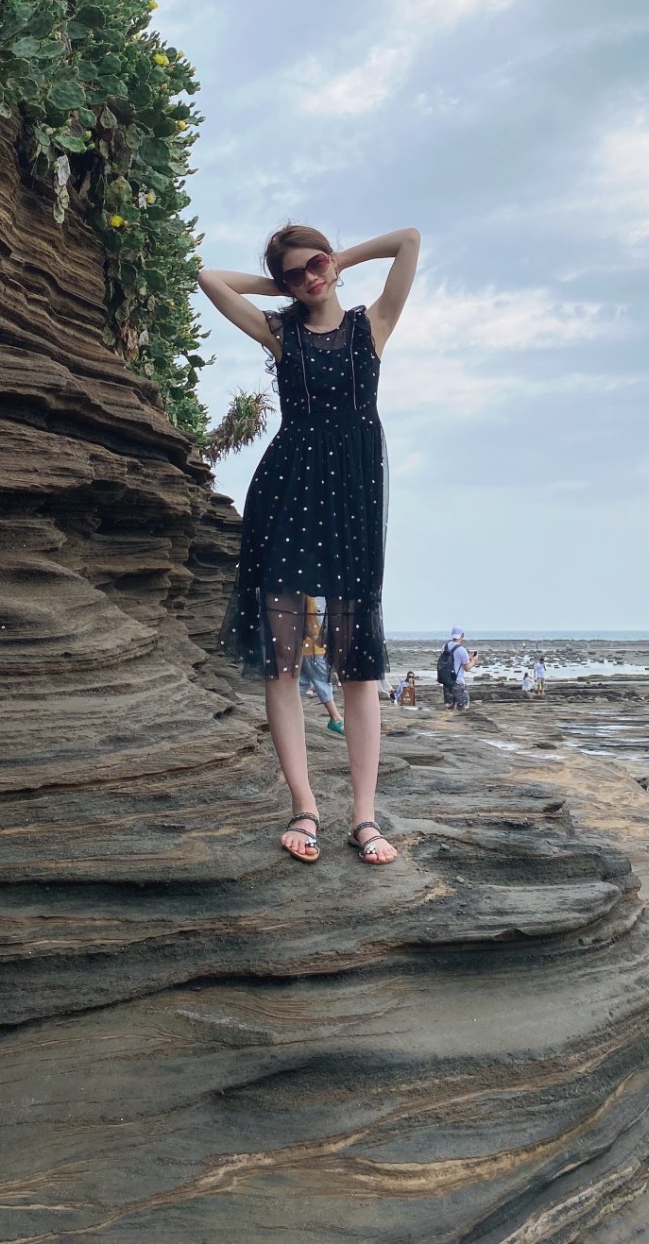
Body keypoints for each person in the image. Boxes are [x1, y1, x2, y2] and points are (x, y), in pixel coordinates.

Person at [200, 223, 421, 867]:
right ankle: (304, 807)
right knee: (284, 657)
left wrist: (335, 263)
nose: (309, 279)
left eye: (314, 266)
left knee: (358, 660)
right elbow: (209, 279)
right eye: (295, 274)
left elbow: (408, 240)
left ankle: (364, 817)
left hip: (353, 495)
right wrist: (287, 286)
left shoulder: (371, 325)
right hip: (287, 491)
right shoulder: (280, 331)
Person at [299, 598, 345, 735]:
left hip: (309, 647)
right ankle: (335, 718)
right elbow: (311, 624)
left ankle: (287, 714)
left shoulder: (311, 594)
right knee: (322, 681)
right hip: (313, 648)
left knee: (301, 683)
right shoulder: (312, 596)